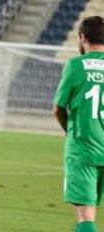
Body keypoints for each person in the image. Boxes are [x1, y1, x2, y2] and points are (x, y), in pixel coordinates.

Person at [54, 16, 104, 232]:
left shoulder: (75, 66)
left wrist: (69, 131)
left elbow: (58, 108)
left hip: (83, 149)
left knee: (86, 216)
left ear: (82, 37)